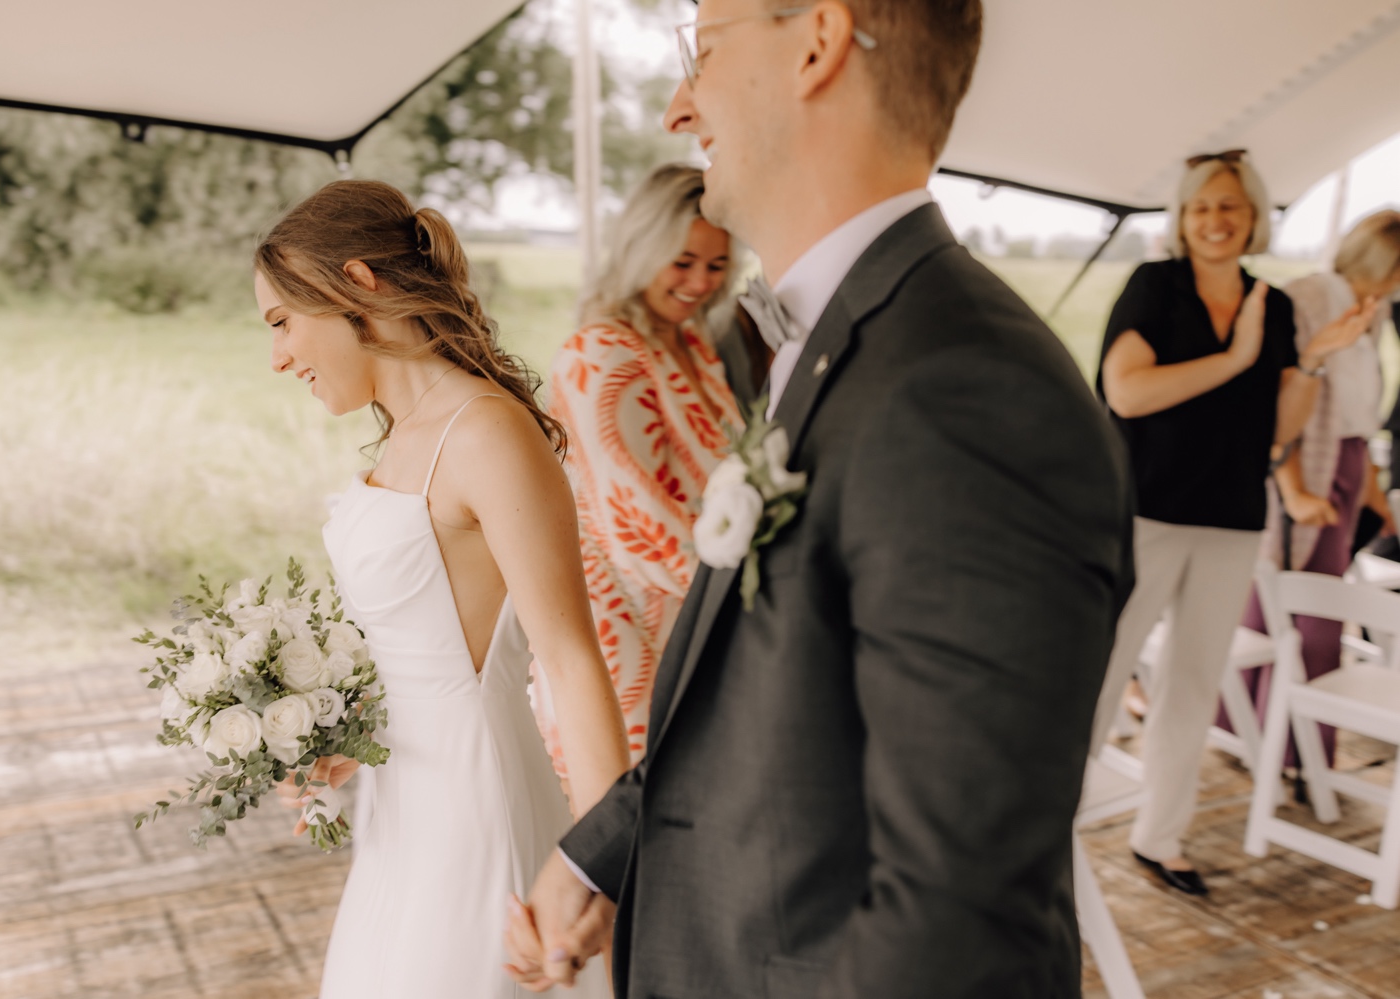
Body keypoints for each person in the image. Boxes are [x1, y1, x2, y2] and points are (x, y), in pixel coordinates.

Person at [506, 2, 1135, 997]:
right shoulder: (841, 341)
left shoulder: (966, 391)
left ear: (818, 43)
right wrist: (610, 852)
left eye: (702, 53)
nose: (679, 106)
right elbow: (787, 686)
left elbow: (957, 916)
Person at [253, 179, 628, 998]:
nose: (278, 356)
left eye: (282, 322)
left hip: (473, 811)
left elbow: (569, 661)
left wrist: (604, 864)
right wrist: (342, 743)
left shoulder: (485, 431)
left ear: (357, 283)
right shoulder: (400, 442)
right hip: (397, 817)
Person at [1091, 151, 1372, 896]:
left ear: (1253, 218)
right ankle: (1046, 836)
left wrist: (1309, 362)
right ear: (1183, 218)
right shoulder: (1157, 287)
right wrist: (1238, 355)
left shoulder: (1272, 304)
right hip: (1146, 512)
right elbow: (1127, 392)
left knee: (1191, 683)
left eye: (1230, 207)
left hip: (1233, 518)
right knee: (1103, 670)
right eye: (1201, 207)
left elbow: (1277, 431)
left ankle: (1161, 837)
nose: (1215, 220)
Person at [538, 164, 742, 769]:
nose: (700, 282)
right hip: (627, 626)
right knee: (632, 827)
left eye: (717, 265)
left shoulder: (694, 346)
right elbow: (640, 527)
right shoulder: (600, 351)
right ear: (642, 247)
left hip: (695, 612)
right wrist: (760, 602)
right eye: (683, 262)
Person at [1232, 210, 1400, 768]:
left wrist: (1375, 497)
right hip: (1306, 469)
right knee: (1307, 612)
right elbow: (1282, 403)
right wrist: (1297, 488)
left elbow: (1356, 414)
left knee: (1292, 606)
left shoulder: (1370, 309)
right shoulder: (1307, 299)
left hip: (1346, 462)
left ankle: (1270, 741)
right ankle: (1287, 748)